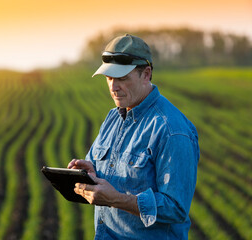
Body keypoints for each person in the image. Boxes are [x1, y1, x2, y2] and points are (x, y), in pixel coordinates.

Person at [67, 34, 200, 240]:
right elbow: (105, 175)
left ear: (146, 74)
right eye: (109, 78)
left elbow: (175, 208)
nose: (113, 86)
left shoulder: (171, 130)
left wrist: (117, 199)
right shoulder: (113, 117)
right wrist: (91, 173)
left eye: (122, 78)